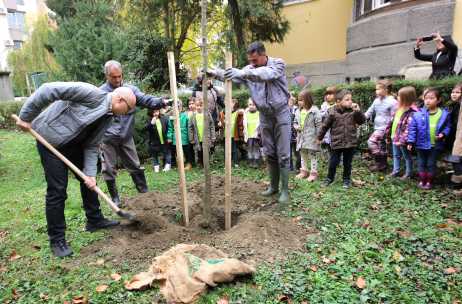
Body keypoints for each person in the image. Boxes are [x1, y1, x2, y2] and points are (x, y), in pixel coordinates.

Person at [16, 82, 136, 257]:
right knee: (57, 190)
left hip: (75, 145)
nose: (126, 114)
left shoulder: (108, 116)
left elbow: (92, 145)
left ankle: (94, 220)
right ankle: (57, 239)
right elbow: (48, 90)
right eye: (128, 109)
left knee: (89, 179)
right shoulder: (90, 94)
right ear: (119, 100)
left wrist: (89, 174)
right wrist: (26, 117)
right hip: (50, 141)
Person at [208, 41, 291, 204]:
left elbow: (266, 74)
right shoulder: (249, 70)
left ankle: (285, 191)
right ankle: (273, 187)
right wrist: (213, 72)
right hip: (265, 116)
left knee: (283, 154)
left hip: (281, 113)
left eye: (254, 60)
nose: (251, 64)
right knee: (269, 152)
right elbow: (232, 75)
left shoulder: (278, 64)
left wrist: (243, 73)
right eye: (250, 61)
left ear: (263, 54)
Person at [99, 60, 166, 206]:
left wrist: (160, 102)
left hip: (126, 136)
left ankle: (144, 192)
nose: (117, 80)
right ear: (106, 76)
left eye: (119, 76)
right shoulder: (101, 93)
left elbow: (144, 99)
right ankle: (115, 198)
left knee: (135, 165)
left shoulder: (130, 90)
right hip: (107, 138)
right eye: (113, 77)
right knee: (108, 169)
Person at [317, 89, 366, 188]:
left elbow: (361, 121)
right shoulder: (332, 112)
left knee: (347, 163)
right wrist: (319, 137)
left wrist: (358, 111)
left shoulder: (353, 111)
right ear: (338, 101)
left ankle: (346, 180)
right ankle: (329, 178)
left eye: (351, 99)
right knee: (333, 162)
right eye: (347, 99)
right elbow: (325, 126)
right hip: (337, 143)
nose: (350, 101)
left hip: (350, 142)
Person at [407, 88, 451, 189]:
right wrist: (410, 142)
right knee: (421, 163)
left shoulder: (444, 114)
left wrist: (443, 134)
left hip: (435, 145)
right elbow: (412, 128)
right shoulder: (418, 114)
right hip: (420, 145)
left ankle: (429, 182)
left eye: (431, 98)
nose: (428, 101)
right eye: (426, 98)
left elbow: (448, 126)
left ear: (438, 100)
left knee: (431, 164)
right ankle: (422, 180)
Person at [364, 80, 398, 172]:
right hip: (377, 127)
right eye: (376, 89)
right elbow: (369, 112)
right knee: (381, 146)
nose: (376, 91)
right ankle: (382, 165)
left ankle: (380, 160)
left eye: (378, 89)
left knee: (371, 142)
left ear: (386, 89)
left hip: (385, 128)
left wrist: (389, 129)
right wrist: (360, 118)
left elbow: (394, 117)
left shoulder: (393, 102)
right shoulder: (376, 101)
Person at [387, 86, 419, 180]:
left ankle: (408, 173)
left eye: (399, 96)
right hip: (394, 137)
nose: (397, 97)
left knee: (407, 157)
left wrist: (405, 140)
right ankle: (395, 171)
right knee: (395, 155)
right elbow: (392, 122)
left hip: (403, 140)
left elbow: (409, 128)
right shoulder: (398, 109)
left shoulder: (412, 112)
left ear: (406, 99)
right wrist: (388, 134)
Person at [294, 90, 322, 182]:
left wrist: (319, 137)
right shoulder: (298, 111)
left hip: (311, 138)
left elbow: (319, 125)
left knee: (313, 155)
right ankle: (304, 171)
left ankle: (313, 173)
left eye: (301, 100)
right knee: (303, 155)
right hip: (301, 138)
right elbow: (295, 122)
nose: (299, 102)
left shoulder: (314, 111)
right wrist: (296, 127)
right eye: (298, 100)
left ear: (308, 100)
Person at [188, 97, 216, 166]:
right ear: (195, 106)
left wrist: (213, 136)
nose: (199, 107)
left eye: (200, 106)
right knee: (199, 151)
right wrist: (191, 138)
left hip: (206, 137)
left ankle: (206, 163)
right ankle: (200, 163)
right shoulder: (193, 116)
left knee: (206, 150)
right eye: (197, 106)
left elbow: (211, 126)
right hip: (197, 137)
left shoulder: (207, 114)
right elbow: (190, 128)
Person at [166, 102, 193, 170]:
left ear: (181, 108)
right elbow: (170, 128)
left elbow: (189, 126)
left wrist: (190, 136)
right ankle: (180, 164)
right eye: (175, 108)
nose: (177, 109)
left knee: (187, 151)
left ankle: (188, 164)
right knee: (177, 152)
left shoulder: (185, 116)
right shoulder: (172, 117)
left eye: (178, 107)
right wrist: (169, 137)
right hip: (176, 138)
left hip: (184, 137)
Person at [446, 83, 462, 188]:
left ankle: (458, 184)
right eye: (453, 92)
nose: (454, 94)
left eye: (457, 92)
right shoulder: (455, 105)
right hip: (456, 136)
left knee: (456, 158)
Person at [243, 98, 261, 168]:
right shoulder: (246, 114)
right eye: (250, 104)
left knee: (256, 148)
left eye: (253, 105)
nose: (252, 106)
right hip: (249, 135)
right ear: (248, 105)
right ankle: (250, 161)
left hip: (256, 135)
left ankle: (256, 161)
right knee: (249, 148)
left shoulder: (258, 113)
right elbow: (244, 124)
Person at [288, 94, 300, 172]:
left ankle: (298, 167)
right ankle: (290, 167)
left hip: (295, 135)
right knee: (288, 153)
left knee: (297, 152)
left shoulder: (297, 110)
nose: (288, 103)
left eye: (289, 101)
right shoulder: (283, 110)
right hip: (286, 135)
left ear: (293, 101)